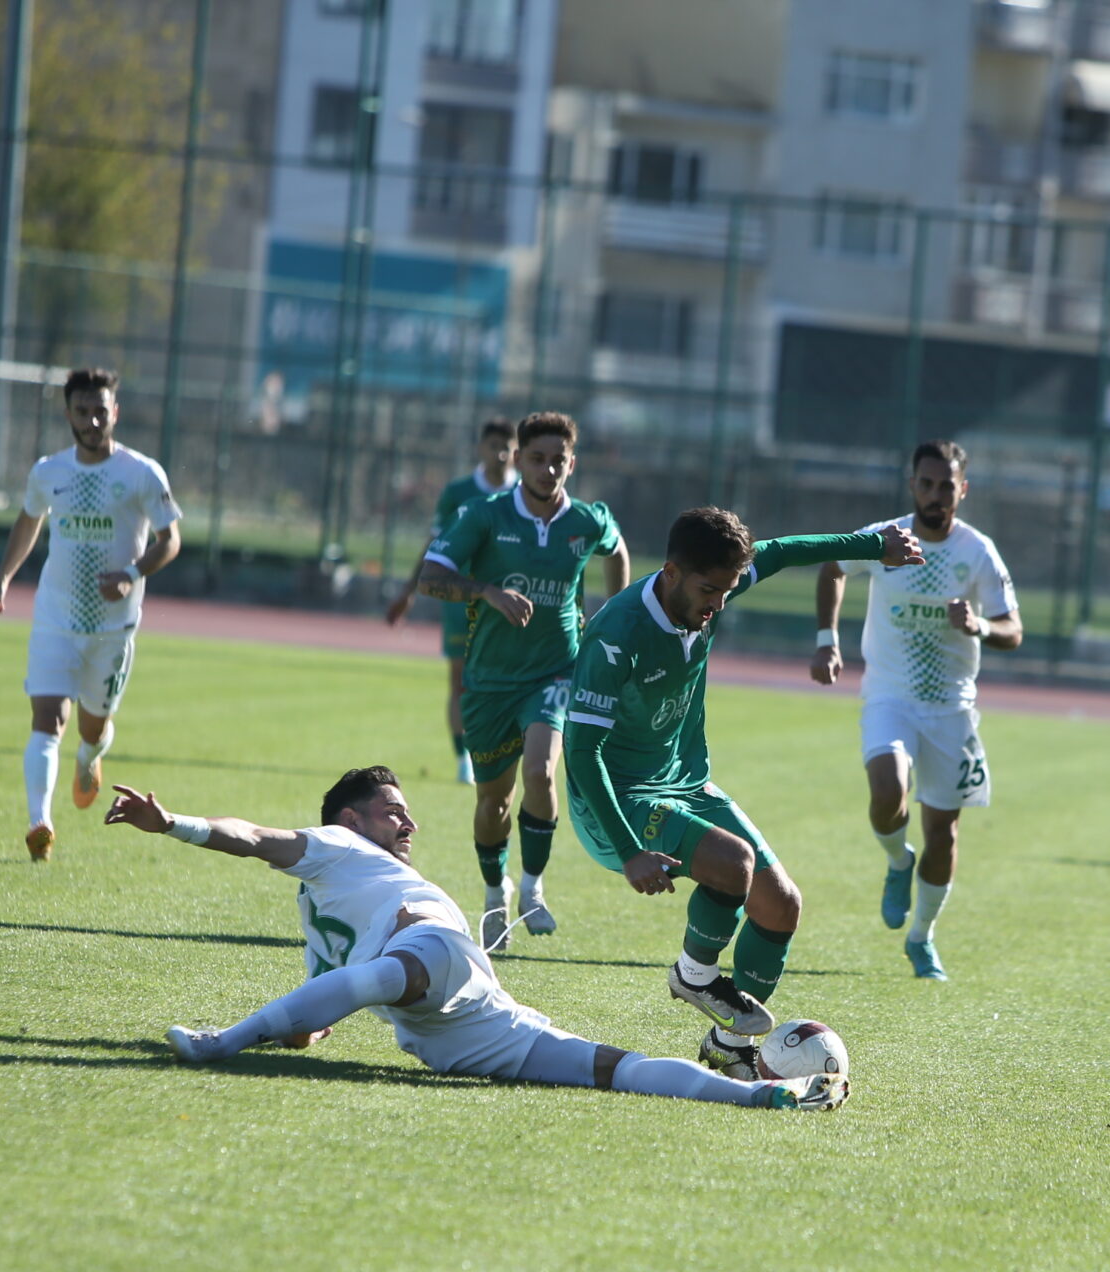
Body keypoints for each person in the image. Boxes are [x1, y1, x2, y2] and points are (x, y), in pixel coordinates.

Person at [103, 770, 847, 1110]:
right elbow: (256, 838)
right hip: (450, 1032)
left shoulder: (344, 894)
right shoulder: (335, 845)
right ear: (350, 820)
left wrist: (307, 1017)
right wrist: (174, 825)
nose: (409, 824)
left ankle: (761, 1097)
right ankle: (225, 1040)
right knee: (610, 1069)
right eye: (392, 811)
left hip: (449, 972)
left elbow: (327, 1006)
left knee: (614, 1067)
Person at [567, 507, 922, 1077]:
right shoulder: (617, 635)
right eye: (710, 589)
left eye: (728, 590)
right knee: (734, 865)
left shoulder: (710, 591)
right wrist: (630, 851)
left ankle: (727, 1047)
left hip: (683, 781)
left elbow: (780, 551)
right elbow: (581, 754)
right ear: (672, 572)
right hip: (615, 799)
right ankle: (693, 974)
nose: (718, 604)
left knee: (781, 904)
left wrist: (870, 544)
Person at [412, 411, 631, 948]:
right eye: (537, 458)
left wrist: (608, 615)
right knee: (493, 803)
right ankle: (495, 895)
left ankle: (533, 888)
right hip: (487, 682)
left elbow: (617, 550)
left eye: (559, 460)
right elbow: (430, 577)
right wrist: (486, 591)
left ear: (572, 463)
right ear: (519, 459)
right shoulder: (484, 516)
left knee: (541, 772)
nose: (548, 469)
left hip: (556, 672)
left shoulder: (585, 519)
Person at [812, 439, 1023, 979]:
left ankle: (921, 938)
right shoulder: (887, 539)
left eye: (946, 485)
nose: (935, 494)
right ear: (912, 486)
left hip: (951, 706)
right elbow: (832, 567)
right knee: (887, 793)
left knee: (944, 832)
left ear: (962, 489)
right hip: (890, 695)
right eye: (926, 484)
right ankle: (896, 861)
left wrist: (978, 625)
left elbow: (1012, 630)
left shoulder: (978, 552)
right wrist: (826, 639)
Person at [0, 366, 183, 862]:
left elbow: (170, 540)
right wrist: (4, 577)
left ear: (115, 412)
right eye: (82, 411)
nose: (92, 421)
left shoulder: (140, 473)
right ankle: (39, 822)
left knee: (91, 729)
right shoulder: (49, 471)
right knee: (47, 721)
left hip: (112, 630)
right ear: (68, 413)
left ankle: (90, 757)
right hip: (54, 619)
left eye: (100, 411)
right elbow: (28, 521)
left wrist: (132, 574)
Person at [384, 415, 517, 785]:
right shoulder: (458, 492)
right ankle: (464, 759)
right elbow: (435, 546)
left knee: (505, 682)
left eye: (508, 447)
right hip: (462, 598)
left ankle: (500, 753)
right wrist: (408, 592)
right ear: (481, 448)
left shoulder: (524, 492)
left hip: (506, 601)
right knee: (460, 680)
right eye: (494, 446)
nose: (501, 454)